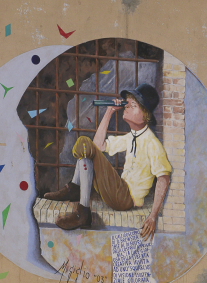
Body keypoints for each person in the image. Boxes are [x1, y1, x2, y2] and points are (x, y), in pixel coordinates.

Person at [44, 83, 172, 241]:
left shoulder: (152, 143)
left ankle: (78, 200)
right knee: (86, 155)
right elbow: (99, 145)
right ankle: (78, 198)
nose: (127, 107)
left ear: (145, 114)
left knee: (84, 143)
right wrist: (110, 111)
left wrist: (152, 217)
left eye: (133, 105)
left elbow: (164, 178)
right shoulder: (131, 136)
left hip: (126, 198)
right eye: (127, 104)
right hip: (119, 193)